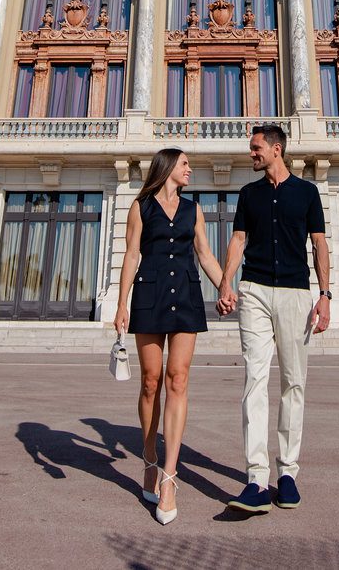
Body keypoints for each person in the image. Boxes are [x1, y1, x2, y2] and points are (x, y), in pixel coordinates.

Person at [217, 124, 330, 513]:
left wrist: (325, 296)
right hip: (255, 292)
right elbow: (237, 240)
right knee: (255, 379)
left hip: (298, 295)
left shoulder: (307, 192)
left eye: (256, 148)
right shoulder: (249, 194)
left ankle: (287, 474)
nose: (251, 154)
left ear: (276, 149)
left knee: (293, 383)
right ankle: (255, 479)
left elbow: (318, 243)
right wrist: (225, 283)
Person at [114, 147, 226, 525]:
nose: (190, 170)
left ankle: (169, 477)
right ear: (167, 169)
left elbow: (206, 254)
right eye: (184, 165)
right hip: (149, 294)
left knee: (178, 379)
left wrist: (225, 287)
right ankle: (149, 458)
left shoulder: (195, 209)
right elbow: (131, 255)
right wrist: (121, 304)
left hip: (188, 298)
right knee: (150, 382)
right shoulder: (140, 207)